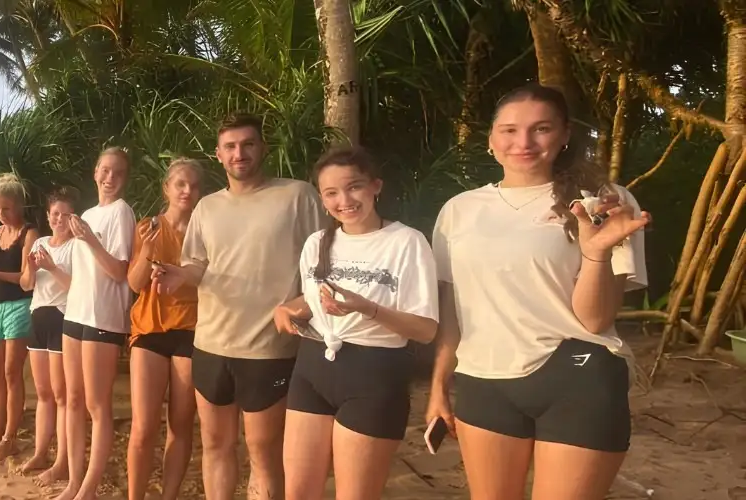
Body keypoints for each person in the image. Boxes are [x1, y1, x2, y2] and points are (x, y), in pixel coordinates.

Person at [427, 83, 650, 500]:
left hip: (574, 374)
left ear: (565, 134)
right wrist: (439, 386)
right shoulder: (459, 210)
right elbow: (454, 310)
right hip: (483, 381)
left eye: (540, 129)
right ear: (491, 139)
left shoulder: (602, 203)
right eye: (509, 130)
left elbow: (595, 321)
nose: (523, 142)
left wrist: (596, 253)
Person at [153, 113, 329, 500]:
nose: (240, 153)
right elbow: (198, 264)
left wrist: (302, 307)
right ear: (218, 155)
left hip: (269, 348)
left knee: (264, 454)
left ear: (262, 148)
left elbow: (324, 262)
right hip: (211, 345)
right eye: (230, 147)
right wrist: (181, 275)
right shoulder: (208, 208)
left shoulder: (297, 196)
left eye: (248, 144)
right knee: (216, 447)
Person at [272, 146, 440, 500]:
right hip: (313, 366)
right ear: (322, 198)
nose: (343, 200)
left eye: (354, 187)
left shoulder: (406, 242)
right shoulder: (317, 243)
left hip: (374, 373)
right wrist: (287, 308)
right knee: (298, 492)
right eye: (331, 192)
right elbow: (318, 299)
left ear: (376, 186)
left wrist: (369, 309)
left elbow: (426, 329)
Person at [57, 147, 136, 500]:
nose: (109, 178)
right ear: (95, 172)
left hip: (104, 317)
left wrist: (89, 238)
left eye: (117, 173)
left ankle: (89, 485)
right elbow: (78, 273)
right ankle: (75, 480)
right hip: (74, 312)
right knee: (73, 400)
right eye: (105, 170)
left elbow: (120, 271)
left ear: (124, 178)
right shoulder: (86, 213)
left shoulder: (121, 213)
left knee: (97, 405)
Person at [124, 158, 203, 500]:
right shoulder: (149, 225)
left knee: (181, 426)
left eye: (195, 185)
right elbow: (135, 283)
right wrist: (149, 252)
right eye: (181, 184)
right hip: (150, 328)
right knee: (143, 428)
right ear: (166, 188)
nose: (187, 191)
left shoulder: (208, 230)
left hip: (193, 329)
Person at [0, 173, 40, 459]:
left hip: (20, 305)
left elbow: (27, 278)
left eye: (7, 208)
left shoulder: (30, 233)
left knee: (13, 373)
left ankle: (10, 436)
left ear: (20, 205)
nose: (1, 214)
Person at [19, 186, 79, 480]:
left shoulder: (77, 246)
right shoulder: (40, 242)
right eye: (55, 214)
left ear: (73, 218)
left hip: (62, 317)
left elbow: (78, 288)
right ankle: (41, 453)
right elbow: (27, 285)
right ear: (48, 216)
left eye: (65, 215)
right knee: (43, 393)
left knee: (62, 394)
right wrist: (32, 268)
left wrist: (52, 267)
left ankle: (63, 460)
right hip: (38, 316)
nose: (59, 219)